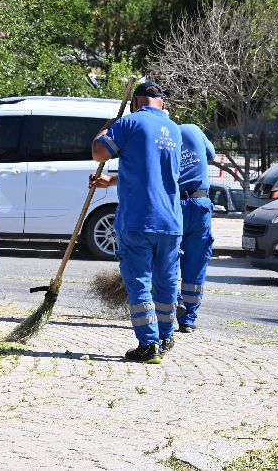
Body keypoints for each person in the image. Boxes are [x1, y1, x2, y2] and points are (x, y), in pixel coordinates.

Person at [90, 81, 182, 364]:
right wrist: (111, 180)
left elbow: (98, 152)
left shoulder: (129, 122)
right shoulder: (175, 130)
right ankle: (165, 338)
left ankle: (148, 345)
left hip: (139, 219)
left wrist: (107, 127)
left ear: (136, 103)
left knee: (139, 283)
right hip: (170, 220)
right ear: (162, 104)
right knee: (166, 284)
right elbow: (150, 172)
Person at [176, 123, 216, 333]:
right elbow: (211, 155)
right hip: (200, 205)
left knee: (166, 256)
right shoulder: (194, 130)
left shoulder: (163, 134)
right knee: (196, 262)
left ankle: (175, 301)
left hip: (175, 205)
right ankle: (188, 319)